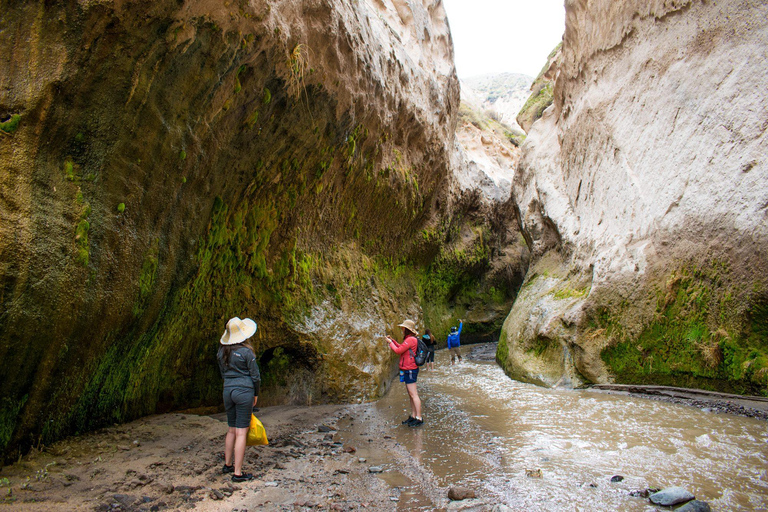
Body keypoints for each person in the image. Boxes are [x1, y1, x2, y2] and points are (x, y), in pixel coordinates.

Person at [218, 316, 261, 482]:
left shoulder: (221, 352)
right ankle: (237, 473)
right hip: (244, 392)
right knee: (242, 432)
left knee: (231, 429)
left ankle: (227, 464)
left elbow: (223, 373)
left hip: (227, 391)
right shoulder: (247, 352)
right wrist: (255, 394)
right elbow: (255, 376)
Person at [385, 319, 423, 427]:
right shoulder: (409, 339)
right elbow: (401, 348)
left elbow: (398, 351)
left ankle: (419, 417)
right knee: (411, 394)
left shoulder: (410, 339)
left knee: (413, 394)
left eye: (403, 328)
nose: (402, 329)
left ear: (407, 329)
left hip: (410, 369)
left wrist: (390, 343)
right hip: (408, 368)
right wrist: (393, 341)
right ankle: (413, 416)